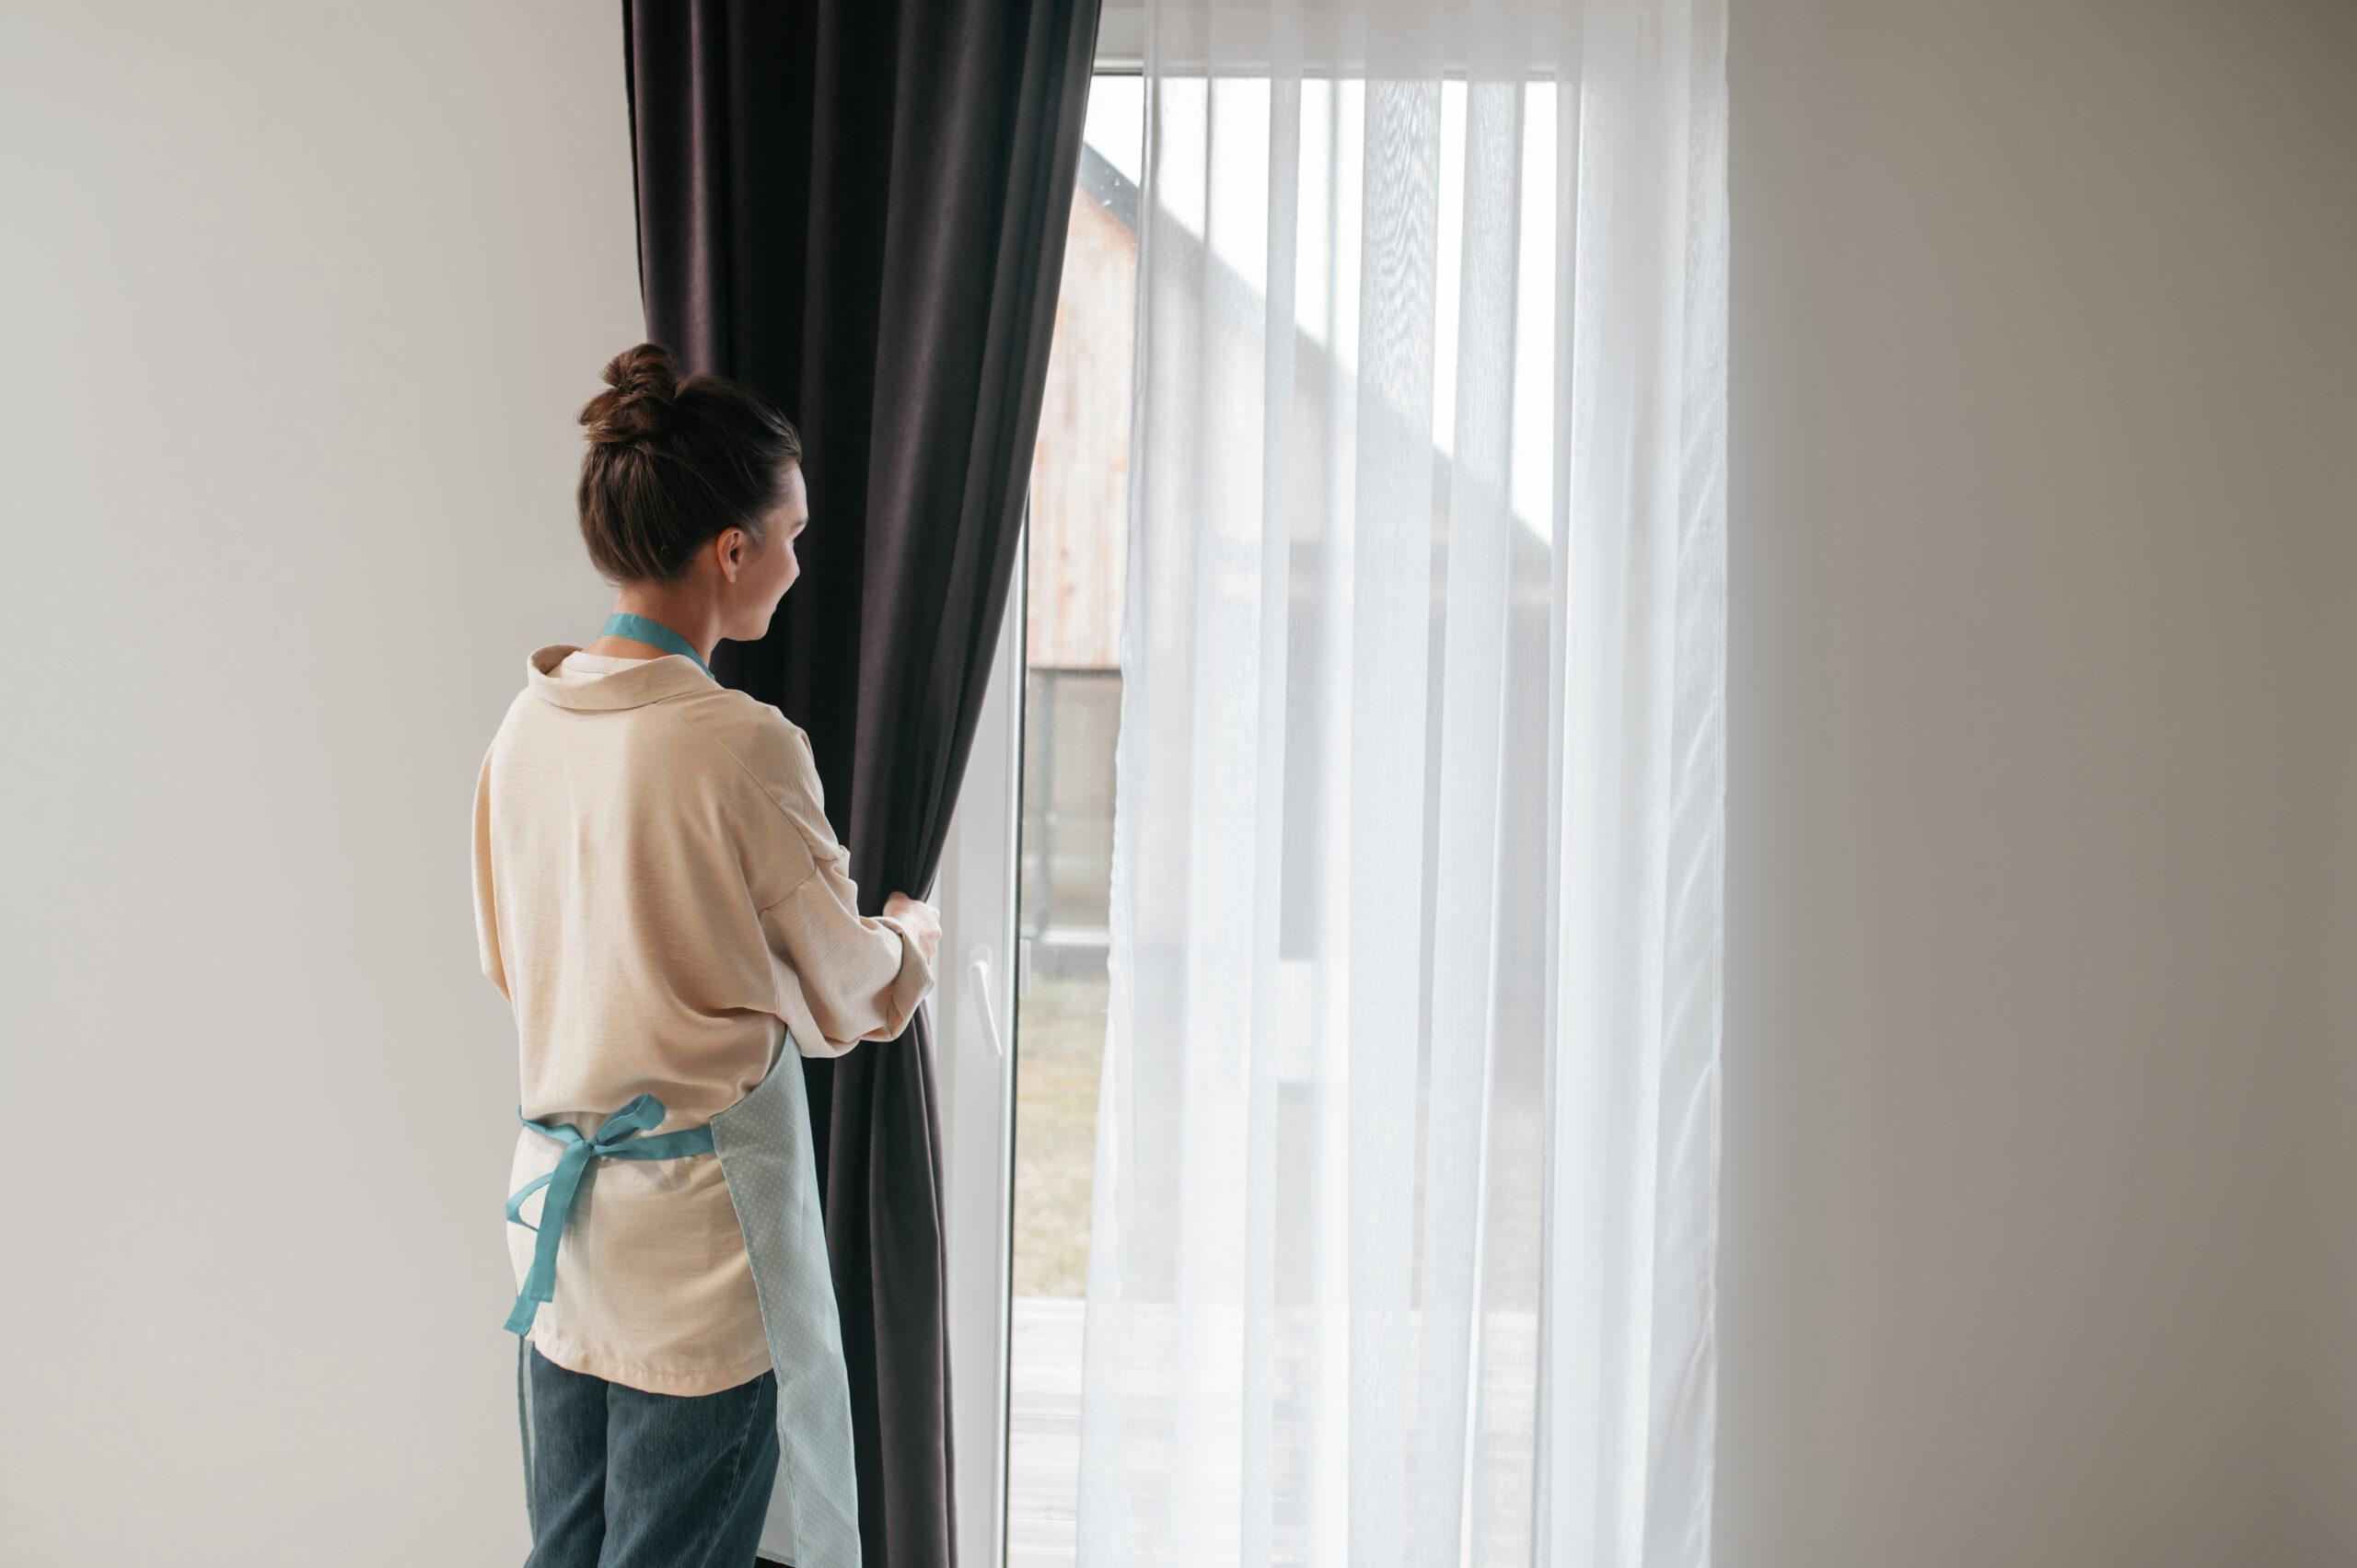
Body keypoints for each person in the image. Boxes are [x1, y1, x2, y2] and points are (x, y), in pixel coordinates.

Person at [472, 343, 939, 1568]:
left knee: (567, 1553)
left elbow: (519, 962)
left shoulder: (526, 725)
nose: (795, 563)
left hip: (563, 1245)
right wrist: (916, 939)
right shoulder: (740, 745)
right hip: (696, 1261)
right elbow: (849, 986)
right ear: (730, 550)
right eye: (788, 535)